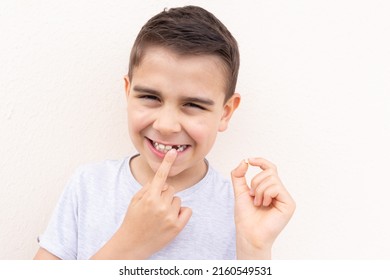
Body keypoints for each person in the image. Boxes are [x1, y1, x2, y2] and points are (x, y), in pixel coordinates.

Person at [34, 5, 295, 260]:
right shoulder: (89, 186)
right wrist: (128, 246)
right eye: (150, 96)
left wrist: (254, 249)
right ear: (128, 91)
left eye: (193, 104)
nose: (166, 125)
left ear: (225, 112)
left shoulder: (239, 211)